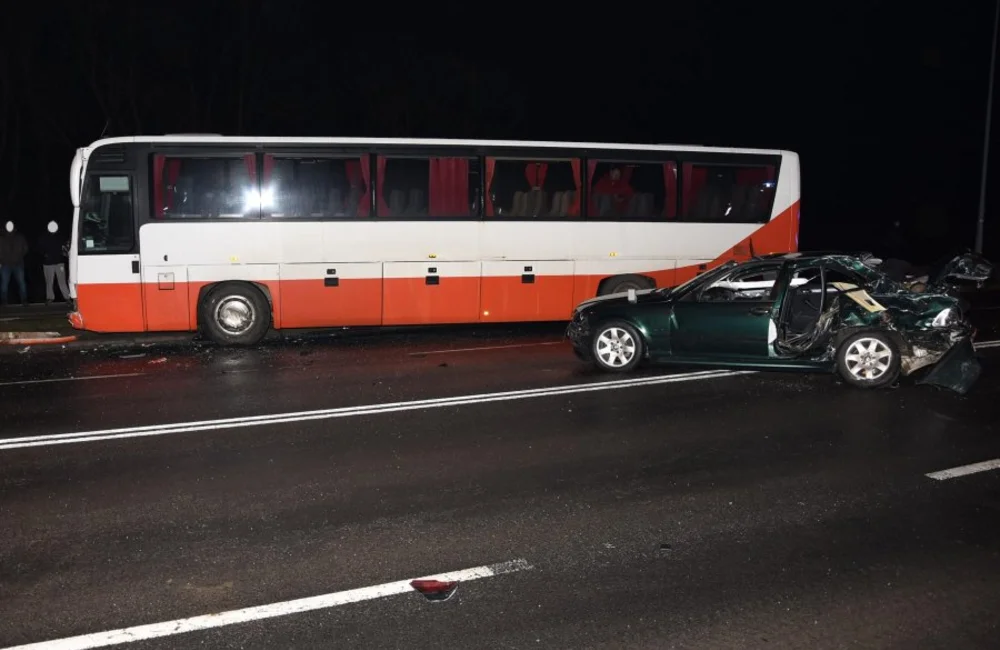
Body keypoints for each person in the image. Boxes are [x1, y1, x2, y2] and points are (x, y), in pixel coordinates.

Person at [39, 220, 70, 303]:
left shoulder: (61, 236)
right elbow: (39, 249)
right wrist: (44, 254)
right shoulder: (44, 237)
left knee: (62, 281)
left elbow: (65, 248)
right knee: (49, 281)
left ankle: (67, 297)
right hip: (48, 263)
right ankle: (50, 297)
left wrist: (65, 254)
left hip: (59, 262)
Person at [0, 220, 29, 306]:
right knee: (4, 284)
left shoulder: (20, 237)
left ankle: (24, 300)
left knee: (22, 283)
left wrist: (19, 256)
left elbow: (25, 248)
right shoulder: (1, 238)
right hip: (5, 264)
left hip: (18, 264)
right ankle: (4, 301)